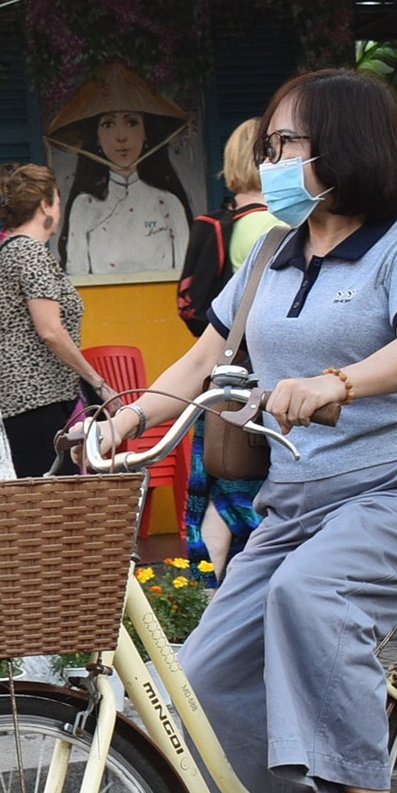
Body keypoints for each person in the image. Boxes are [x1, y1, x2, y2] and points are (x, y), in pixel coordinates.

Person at [94, 68, 397, 793]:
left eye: (287, 143)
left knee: (311, 594)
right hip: (296, 508)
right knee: (198, 678)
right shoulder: (271, 254)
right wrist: (123, 418)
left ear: (342, 144)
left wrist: (335, 382)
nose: (272, 161)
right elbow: (203, 356)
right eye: (268, 146)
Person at [175, 118, 289, 572]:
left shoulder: (218, 224)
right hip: (273, 386)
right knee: (259, 494)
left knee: (220, 490)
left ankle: (213, 587)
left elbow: (193, 309)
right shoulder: (285, 227)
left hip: (221, 383)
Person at [0, 162, 117, 478]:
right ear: (45, 206)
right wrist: (99, 383)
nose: (59, 208)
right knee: (58, 503)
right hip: (36, 403)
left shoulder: (4, 252)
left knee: (45, 502)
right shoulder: (30, 253)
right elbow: (51, 330)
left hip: (21, 403)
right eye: (57, 200)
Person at [49, 63, 194, 277]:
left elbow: (185, 277)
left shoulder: (168, 204)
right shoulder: (84, 207)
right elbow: (77, 277)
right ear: (96, 137)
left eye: (132, 122)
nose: (121, 136)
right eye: (108, 124)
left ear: (146, 133)